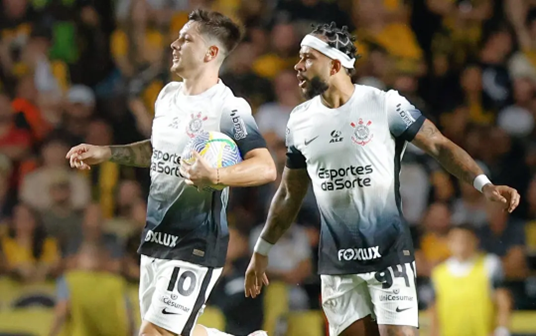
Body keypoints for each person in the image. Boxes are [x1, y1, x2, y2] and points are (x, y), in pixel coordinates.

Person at [245, 22, 520, 336]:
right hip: (338, 264)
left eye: (308, 58)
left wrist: (483, 183)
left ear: (335, 63)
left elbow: (439, 144)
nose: (298, 65)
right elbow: (289, 192)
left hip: (388, 255)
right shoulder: (300, 120)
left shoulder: (385, 104)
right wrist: (262, 248)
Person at [66, 9, 276, 336]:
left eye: (186, 38)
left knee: (154, 333)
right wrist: (107, 153)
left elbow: (265, 166)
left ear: (211, 53)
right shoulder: (166, 97)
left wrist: (215, 177)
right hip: (156, 240)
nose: (174, 44)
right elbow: (158, 151)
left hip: (196, 244)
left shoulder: (229, 107)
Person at [429, 224, 511, 336]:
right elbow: (434, 309)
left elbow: (503, 300)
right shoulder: (439, 273)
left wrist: (502, 330)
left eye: (465, 239)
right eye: (456, 240)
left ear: (475, 241)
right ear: (448, 242)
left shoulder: (489, 264)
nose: (460, 244)